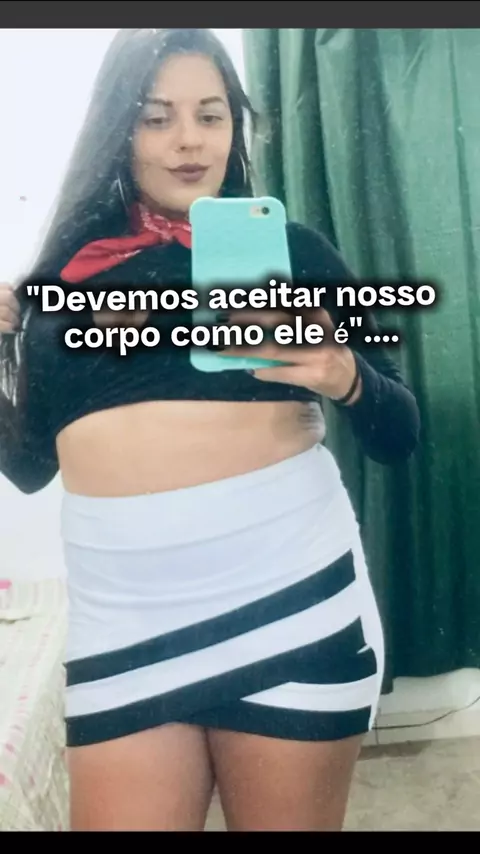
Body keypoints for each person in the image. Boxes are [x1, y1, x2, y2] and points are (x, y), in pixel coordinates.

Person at [0, 28, 420, 832]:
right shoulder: (68, 277)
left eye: (211, 114)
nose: (189, 140)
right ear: (119, 129)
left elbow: (398, 433)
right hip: (124, 628)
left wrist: (343, 373)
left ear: (236, 125)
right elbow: (27, 466)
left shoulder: (294, 254)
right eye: (156, 117)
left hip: (293, 603)